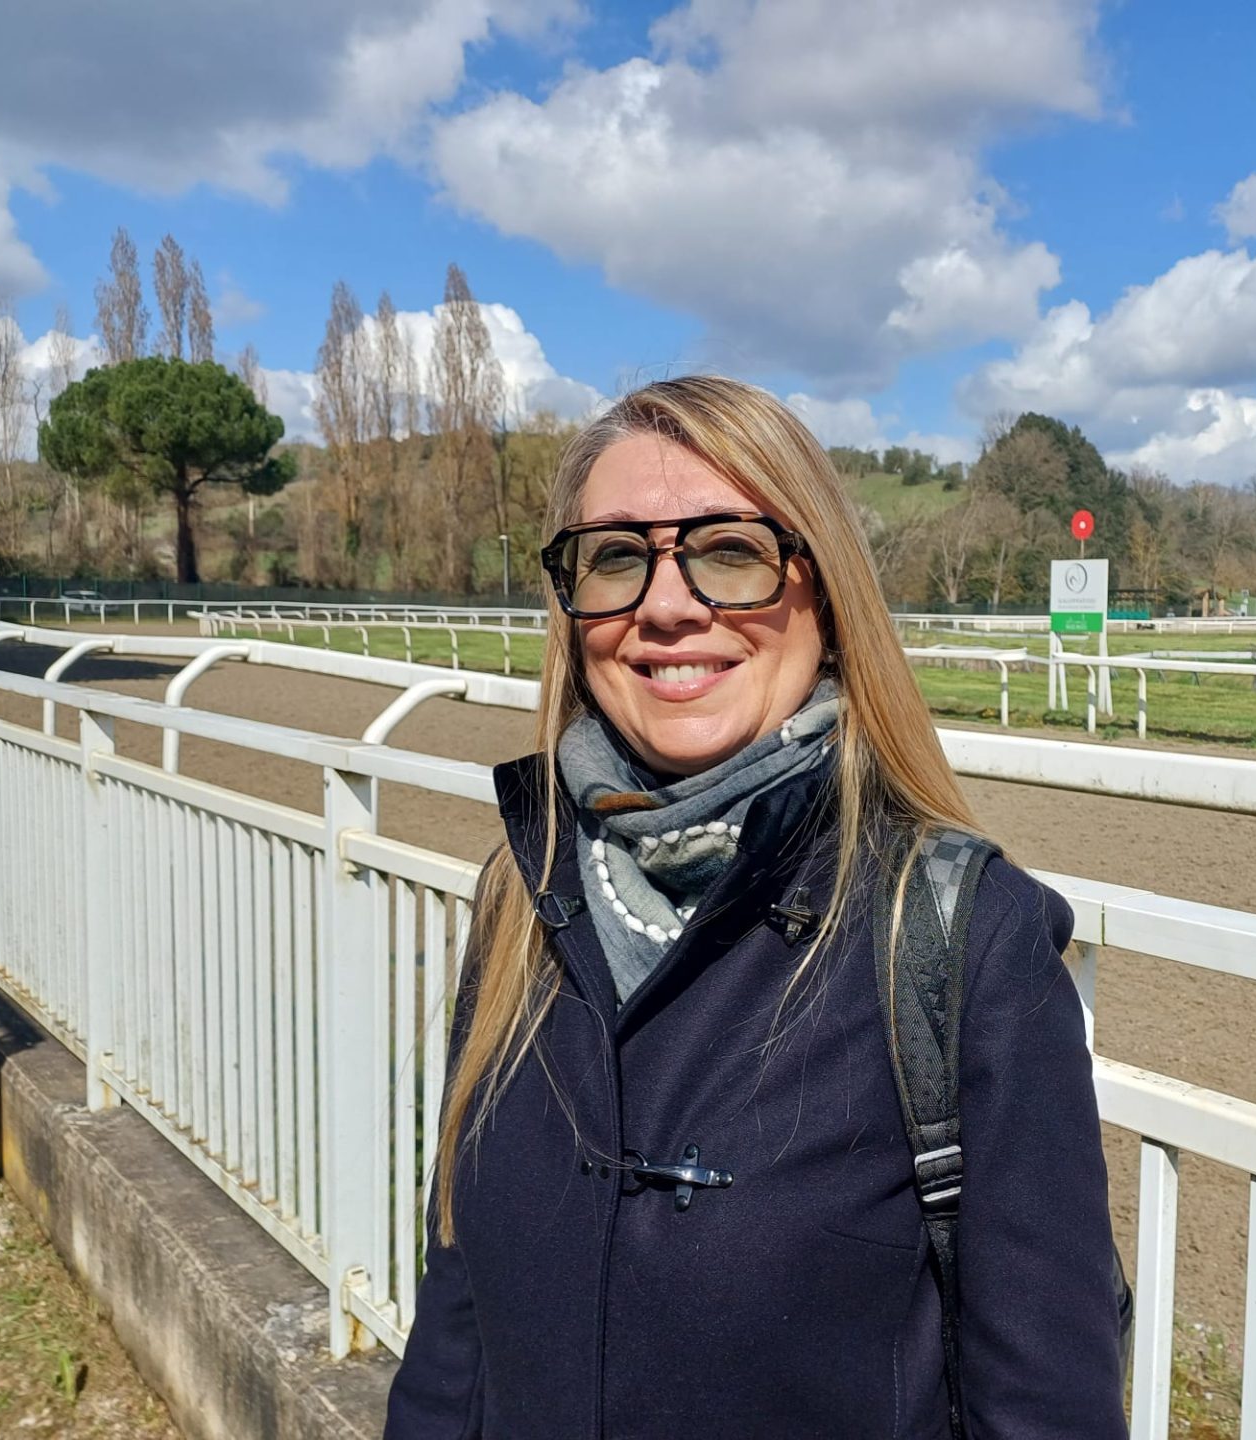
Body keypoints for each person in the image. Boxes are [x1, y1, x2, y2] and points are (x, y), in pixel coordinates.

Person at [385, 376, 1127, 1439]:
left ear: (822, 594)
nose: (668, 605)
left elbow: (1045, 1410)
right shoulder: (521, 892)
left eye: (728, 551)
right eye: (616, 558)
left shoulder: (968, 938)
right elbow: (456, 1334)